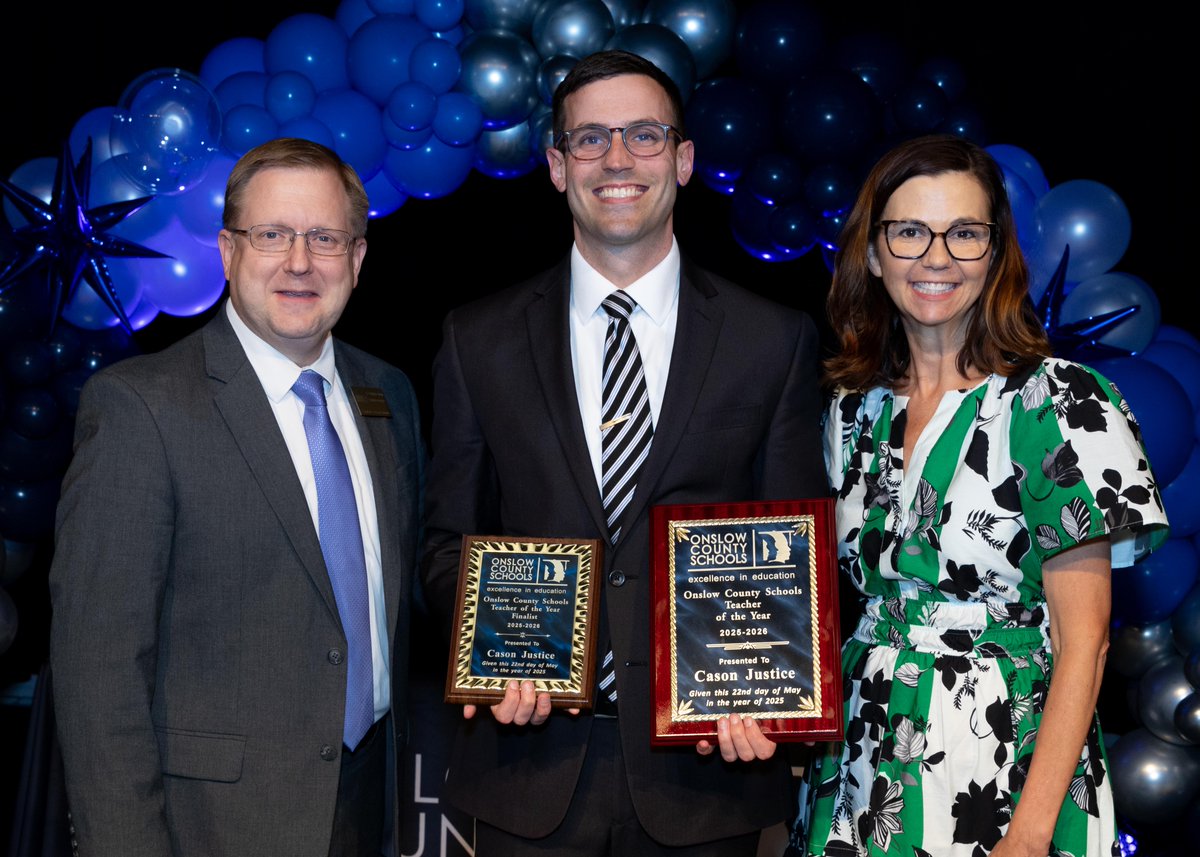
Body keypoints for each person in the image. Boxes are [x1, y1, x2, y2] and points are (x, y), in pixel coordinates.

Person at [419, 49, 827, 855]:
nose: (616, 158)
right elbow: (443, 543)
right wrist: (490, 650)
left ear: (682, 160)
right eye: (591, 138)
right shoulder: (477, 338)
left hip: (705, 776)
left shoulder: (771, 340)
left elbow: (793, 550)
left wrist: (771, 692)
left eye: (643, 135)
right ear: (556, 165)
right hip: (525, 770)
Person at [791, 134, 1169, 857]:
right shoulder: (851, 410)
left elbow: (1084, 641)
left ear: (996, 255)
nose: (937, 257)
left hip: (1004, 768)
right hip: (863, 762)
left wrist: (1027, 837)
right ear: (873, 254)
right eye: (910, 232)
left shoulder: (1058, 403)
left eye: (965, 234)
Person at [48, 137, 424, 857]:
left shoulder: (390, 397)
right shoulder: (141, 408)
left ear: (358, 258)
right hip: (211, 828)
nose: (299, 261)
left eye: (324, 237)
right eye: (272, 235)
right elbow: (99, 675)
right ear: (227, 250)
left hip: (367, 809)